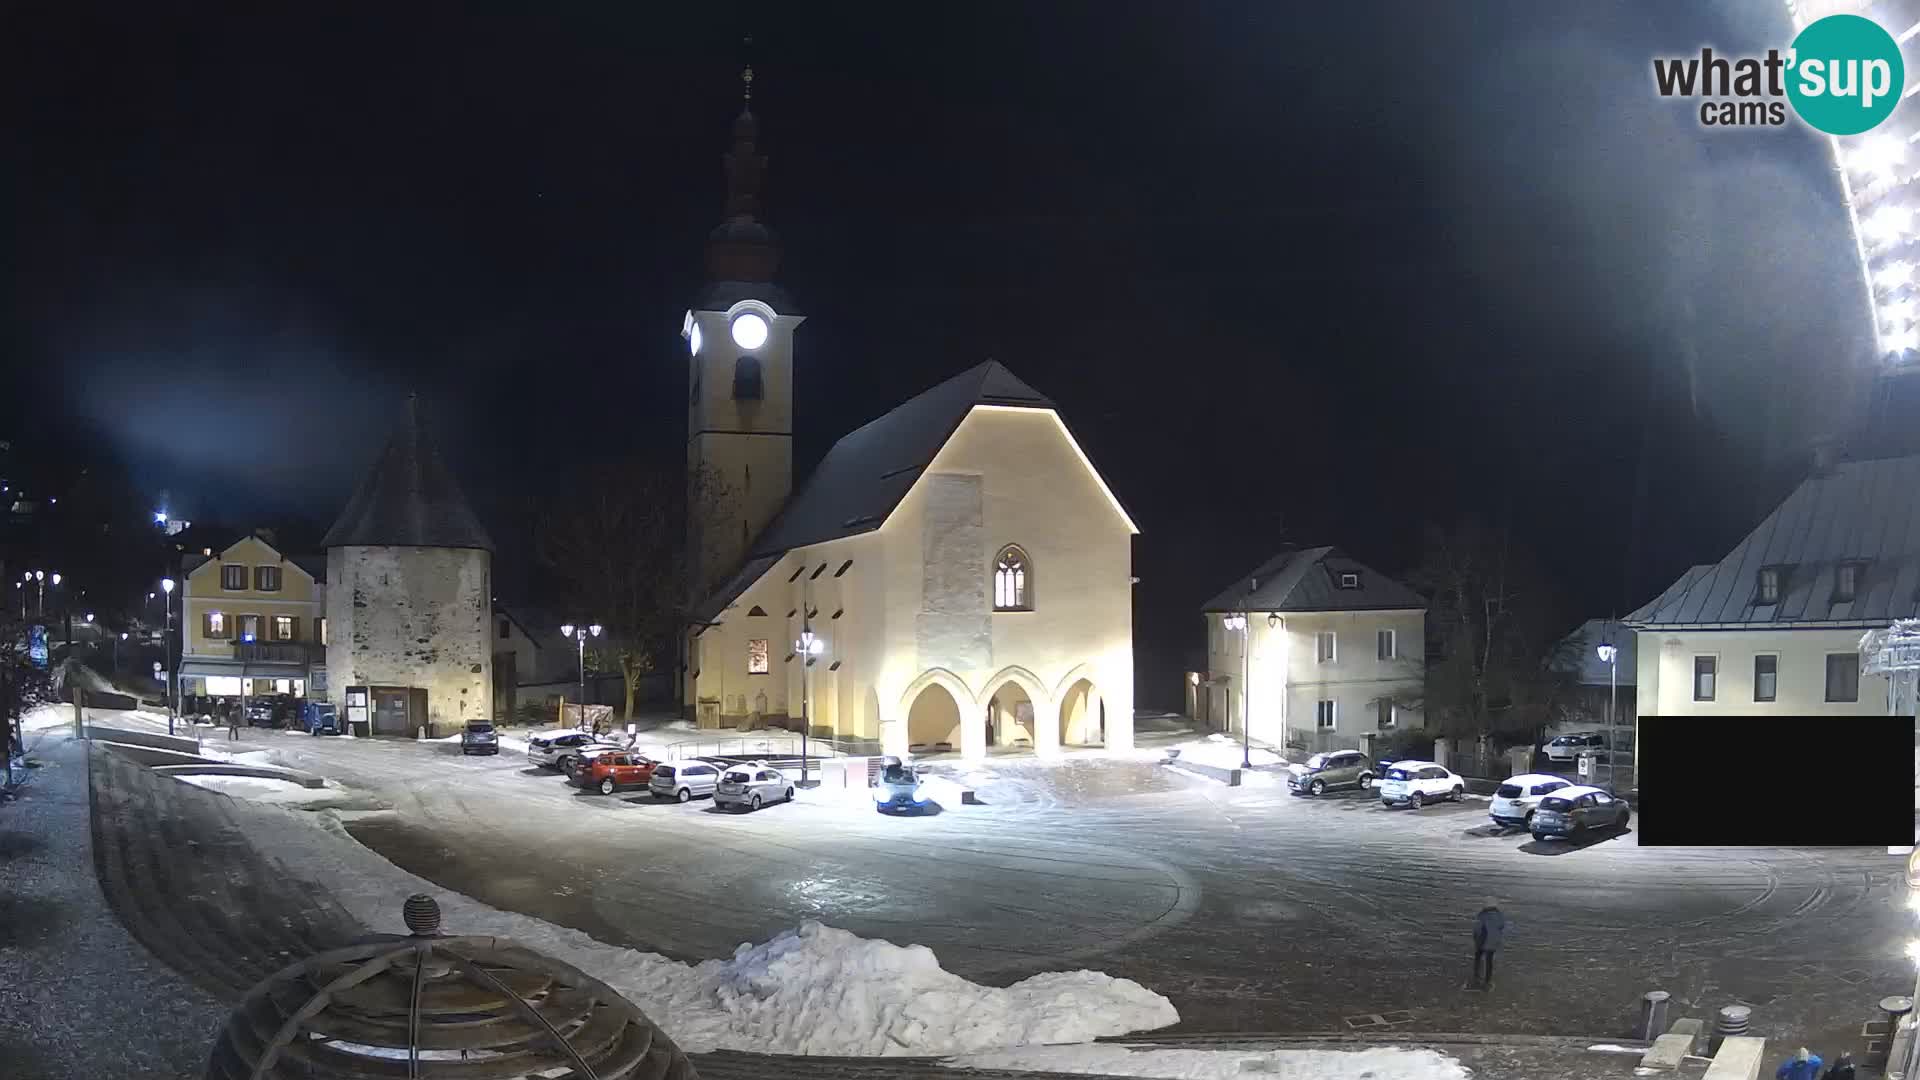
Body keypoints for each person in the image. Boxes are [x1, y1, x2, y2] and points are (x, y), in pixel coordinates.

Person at [1472, 898, 1505, 988]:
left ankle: (1477, 976)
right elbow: (1502, 926)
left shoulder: (1482, 915)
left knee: (1478, 956)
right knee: (1489, 960)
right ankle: (1487, 980)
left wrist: (1475, 938)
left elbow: (1477, 928)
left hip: (1483, 940)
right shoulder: (1499, 915)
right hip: (1493, 942)